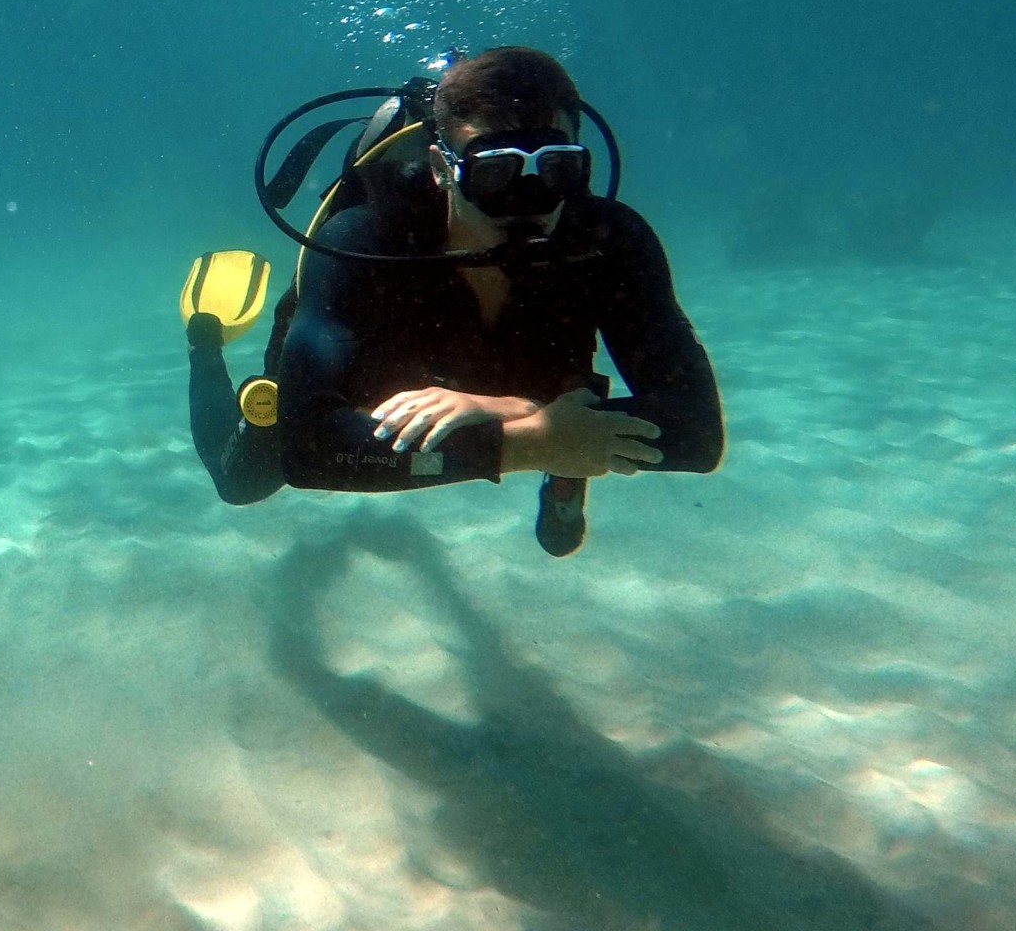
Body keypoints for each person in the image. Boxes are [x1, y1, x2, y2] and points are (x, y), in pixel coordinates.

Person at [188, 46, 723, 554]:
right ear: (444, 169)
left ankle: (568, 434)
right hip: (379, 373)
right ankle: (204, 337)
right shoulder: (361, 242)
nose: (528, 201)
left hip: (519, 377)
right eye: (494, 172)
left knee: (561, 383)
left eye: (557, 169)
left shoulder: (612, 241)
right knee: (242, 485)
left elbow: (698, 435)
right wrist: (531, 443)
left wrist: (508, 413)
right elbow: (308, 454)